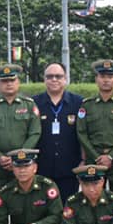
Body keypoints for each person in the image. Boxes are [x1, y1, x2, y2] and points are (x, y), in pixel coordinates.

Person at [0, 64, 41, 208]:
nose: (9, 84)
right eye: (4, 81)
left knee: (22, 206)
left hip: (23, 165)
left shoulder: (30, 105)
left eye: (12, 80)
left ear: (18, 82)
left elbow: (35, 133)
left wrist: (19, 156)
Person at [77, 59, 113, 198]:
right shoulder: (87, 105)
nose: (106, 80)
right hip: (94, 159)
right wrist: (97, 157)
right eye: (102, 76)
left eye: (110, 76)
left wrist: (110, 156)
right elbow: (81, 133)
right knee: (92, 198)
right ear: (96, 79)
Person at [33, 62, 83, 201]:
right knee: (42, 210)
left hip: (70, 168)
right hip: (42, 168)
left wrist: (84, 160)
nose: (54, 79)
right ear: (44, 79)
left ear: (65, 79)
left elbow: (84, 134)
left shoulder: (78, 103)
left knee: (67, 211)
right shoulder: (34, 103)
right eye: (49, 76)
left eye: (58, 76)